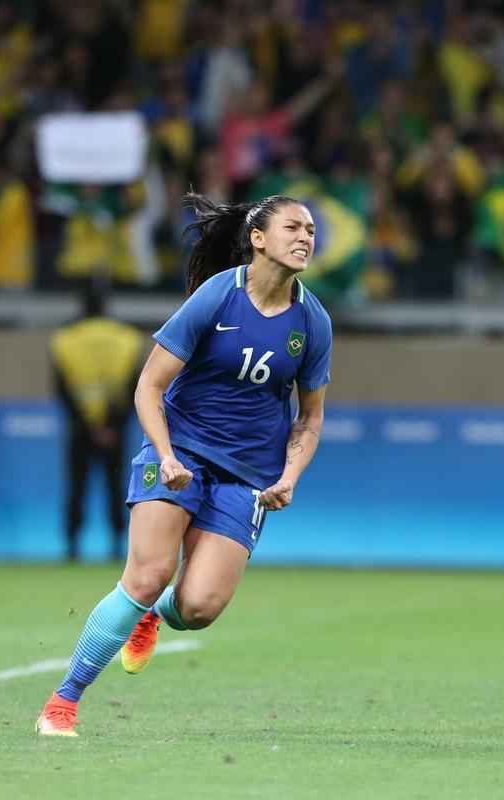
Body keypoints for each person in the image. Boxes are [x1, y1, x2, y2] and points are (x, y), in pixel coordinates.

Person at [36, 192, 334, 736]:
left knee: (198, 608)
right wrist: (168, 454)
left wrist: (289, 477)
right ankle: (64, 701)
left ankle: (152, 617)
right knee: (148, 574)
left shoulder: (313, 323)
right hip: (181, 454)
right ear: (258, 239)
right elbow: (149, 386)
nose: (306, 237)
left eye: (311, 230)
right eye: (294, 226)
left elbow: (309, 419)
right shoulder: (216, 298)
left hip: (247, 475)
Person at [50, 278, 147, 563]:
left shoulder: (64, 340)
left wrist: (88, 427)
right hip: (115, 429)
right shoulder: (127, 339)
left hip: (80, 431)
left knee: (76, 487)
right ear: (106, 304)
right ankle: (118, 548)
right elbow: (135, 389)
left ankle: (72, 548)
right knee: (116, 487)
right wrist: (111, 426)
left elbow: (62, 390)